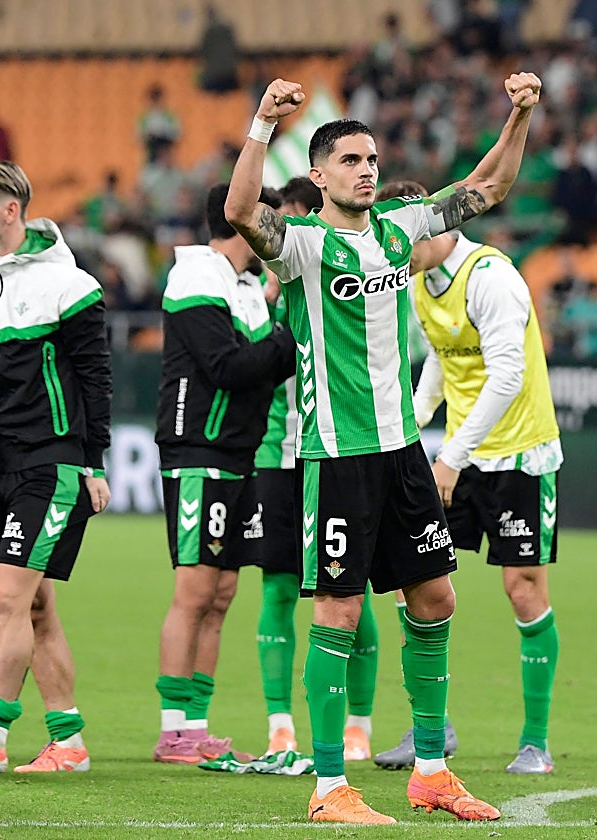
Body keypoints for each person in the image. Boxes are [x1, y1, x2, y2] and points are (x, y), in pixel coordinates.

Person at [224, 71, 543, 824]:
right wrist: (262, 124)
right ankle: (330, 786)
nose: (367, 170)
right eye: (350, 161)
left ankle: (431, 771)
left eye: (372, 160)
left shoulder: (402, 231)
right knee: (336, 612)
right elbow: (241, 209)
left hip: (403, 451)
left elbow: (488, 185)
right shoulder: (300, 246)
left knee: (437, 597)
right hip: (336, 456)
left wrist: (520, 113)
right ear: (318, 175)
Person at [377, 179, 562, 776]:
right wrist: (412, 416)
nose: (395, 248)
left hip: (518, 456)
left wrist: (450, 455)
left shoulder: (492, 278)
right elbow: (443, 353)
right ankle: (433, 726)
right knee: (419, 583)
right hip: (459, 453)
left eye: (404, 235)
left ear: (432, 225)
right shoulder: (419, 283)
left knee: (522, 590)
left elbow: (507, 374)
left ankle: (535, 741)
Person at [0, 160, 112, 775]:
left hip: (53, 461)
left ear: (10, 211)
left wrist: (95, 463)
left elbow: (95, 379)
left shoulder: (70, 285)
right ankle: (68, 740)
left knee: (8, 596)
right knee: (36, 607)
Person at [153, 181, 296, 765]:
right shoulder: (196, 275)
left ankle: (196, 723)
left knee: (222, 592)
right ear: (246, 221)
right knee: (194, 591)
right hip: (198, 451)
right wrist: (293, 345)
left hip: (238, 455)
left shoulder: (244, 287)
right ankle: (172, 733)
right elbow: (227, 366)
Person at [250, 176, 380, 761]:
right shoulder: (264, 290)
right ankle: (280, 723)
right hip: (278, 458)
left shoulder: (345, 268)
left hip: (342, 451)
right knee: (278, 589)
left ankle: (360, 722)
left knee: (359, 594)